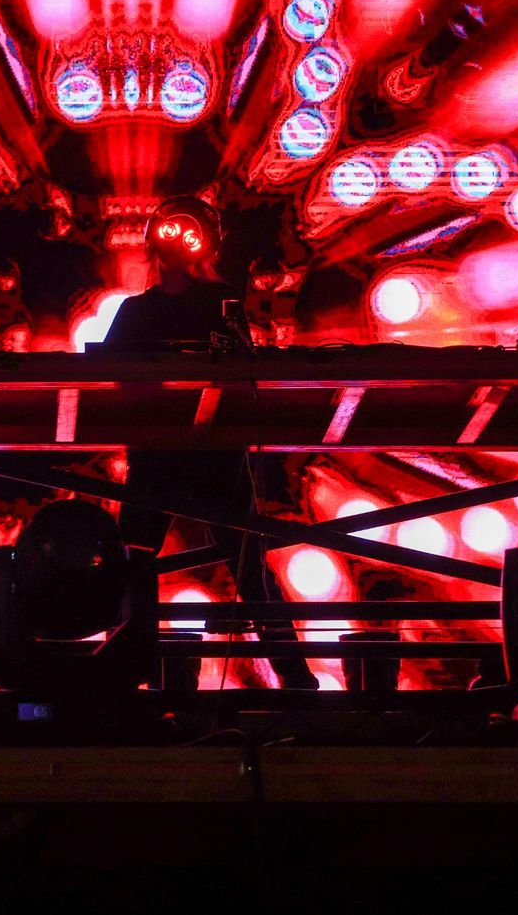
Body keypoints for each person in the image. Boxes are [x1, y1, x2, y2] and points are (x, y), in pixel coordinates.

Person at [102, 196, 317, 689]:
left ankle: (294, 675)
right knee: (140, 563)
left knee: (240, 568)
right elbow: (105, 376)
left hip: (204, 454)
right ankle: (124, 674)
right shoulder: (137, 311)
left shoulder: (219, 301)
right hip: (167, 454)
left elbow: (240, 368)